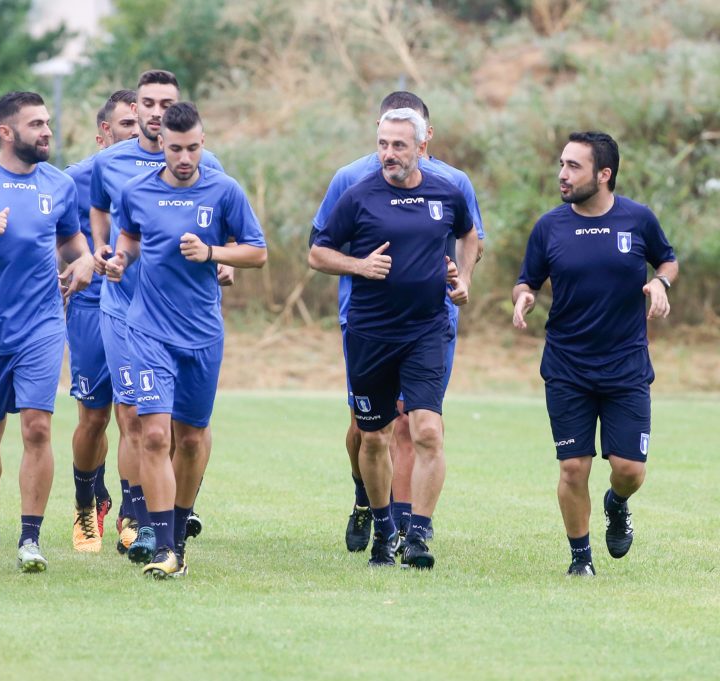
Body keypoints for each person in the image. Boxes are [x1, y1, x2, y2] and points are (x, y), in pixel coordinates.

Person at [310, 91, 485, 553]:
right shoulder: (354, 186)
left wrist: (463, 277)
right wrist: (359, 266)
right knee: (370, 434)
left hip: (429, 326)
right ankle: (372, 507)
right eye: (383, 143)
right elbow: (319, 249)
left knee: (421, 426)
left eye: (399, 145)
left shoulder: (450, 187)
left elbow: (471, 235)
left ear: (424, 143)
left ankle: (413, 531)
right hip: (367, 328)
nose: (388, 153)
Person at [105, 102, 267, 578]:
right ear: (161, 144)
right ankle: (163, 547)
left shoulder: (224, 191)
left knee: (192, 439)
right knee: (155, 434)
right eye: (176, 149)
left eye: (193, 148)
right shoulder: (137, 191)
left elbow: (257, 252)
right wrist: (119, 260)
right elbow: (130, 239)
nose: (184, 158)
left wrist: (213, 252)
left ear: (202, 143)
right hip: (148, 330)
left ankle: (176, 535)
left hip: (201, 334)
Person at [512, 131, 677, 577]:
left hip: (626, 366)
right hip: (567, 365)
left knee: (629, 470)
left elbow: (667, 259)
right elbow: (527, 280)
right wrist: (523, 296)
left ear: (604, 174)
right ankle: (580, 559)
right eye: (562, 164)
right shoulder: (549, 226)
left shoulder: (637, 219)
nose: (562, 175)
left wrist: (660, 283)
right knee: (572, 467)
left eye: (574, 166)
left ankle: (617, 503)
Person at [89, 69, 226, 563]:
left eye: (166, 104)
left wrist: (222, 261)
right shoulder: (110, 164)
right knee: (137, 418)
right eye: (148, 103)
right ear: (137, 106)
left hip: (188, 318)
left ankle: (173, 513)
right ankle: (140, 520)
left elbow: (234, 236)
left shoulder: (210, 169)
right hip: (126, 310)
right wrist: (103, 251)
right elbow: (101, 212)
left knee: (185, 430)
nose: (155, 111)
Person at [0, 91, 94, 571]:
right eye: (36, 124)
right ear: (6, 131)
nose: (47, 132)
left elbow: (73, 242)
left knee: (38, 427)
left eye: (47, 122)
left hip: (42, 325)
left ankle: (30, 540)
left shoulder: (59, 184)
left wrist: (85, 262)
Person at [64, 89, 138, 552]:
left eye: (140, 123)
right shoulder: (75, 180)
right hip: (91, 307)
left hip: (139, 310)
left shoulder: (160, 176)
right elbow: (55, 240)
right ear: (103, 134)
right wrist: (83, 259)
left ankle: (134, 515)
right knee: (94, 417)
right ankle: (86, 504)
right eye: (126, 124)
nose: (136, 131)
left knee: (138, 416)